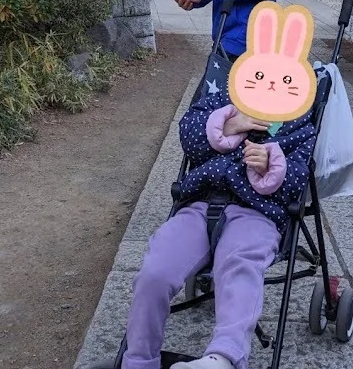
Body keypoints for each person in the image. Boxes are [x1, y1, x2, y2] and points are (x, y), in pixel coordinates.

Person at [121, 89, 317, 369]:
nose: (269, 85)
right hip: (200, 204)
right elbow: (189, 138)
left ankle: (223, 357)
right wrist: (229, 125)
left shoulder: (298, 119)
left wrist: (271, 164)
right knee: (156, 270)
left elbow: (300, 181)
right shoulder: (221, 97)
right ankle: (139, 360)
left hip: (257, 213)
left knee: (240, 265)